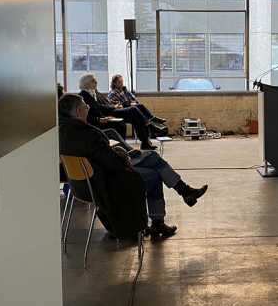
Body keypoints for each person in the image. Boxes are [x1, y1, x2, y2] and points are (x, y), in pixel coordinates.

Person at [58, 93, 208, 238]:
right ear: (78, 111)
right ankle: (165, 214)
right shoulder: (86, 134)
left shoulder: (65, 132)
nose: (88, 109)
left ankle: (182, 194)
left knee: (152, 159)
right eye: (85, 106)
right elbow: (112, 162)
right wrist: (123, 156)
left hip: (82, 185)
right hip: (104, 183)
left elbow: (100, 157)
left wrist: (118, 153)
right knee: (154, 172)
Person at [78, 73, 157, 150]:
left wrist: (114, 105)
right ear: (86, 83)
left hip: (110, 110)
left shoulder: (95, 92)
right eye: (93, 81)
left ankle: (145, 141)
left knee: (136, 114)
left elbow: (105, 103)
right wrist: (112, 107)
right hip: (107, 113)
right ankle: (150, 127)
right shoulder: (84, 95)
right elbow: (99, 108)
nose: (96, 82)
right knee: (133, 110)